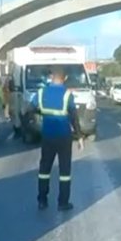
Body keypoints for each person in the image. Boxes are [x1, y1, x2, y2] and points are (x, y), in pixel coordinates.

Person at [30, 67, 84, 211]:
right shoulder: (67, 95)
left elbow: (30, 108)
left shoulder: (41, 93)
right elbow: (73, 116)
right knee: (64, 171)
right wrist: (79, 137)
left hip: (47, 136)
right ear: (64, 78)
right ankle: (63, 202)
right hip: (64, 137)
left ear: (51, 77)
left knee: (44, 169)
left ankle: (42, 200)